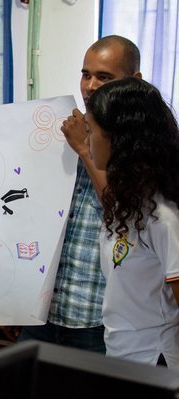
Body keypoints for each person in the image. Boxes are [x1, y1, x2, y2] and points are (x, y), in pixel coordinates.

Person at [15, 35, 142, 352]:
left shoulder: (142, 144)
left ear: (134, 81)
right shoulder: (62, 131)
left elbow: (124, 215)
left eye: (104, 77)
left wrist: (85, 149)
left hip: (97, 321)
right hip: (43, 313)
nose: (90, 85)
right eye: (86, 74)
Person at [84, 76, 179, 367]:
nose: (87, 140)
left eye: (91, 131)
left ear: (117, 139)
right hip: (121, 352)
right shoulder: (127, 202)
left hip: (155, 358)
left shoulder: (163, 216)